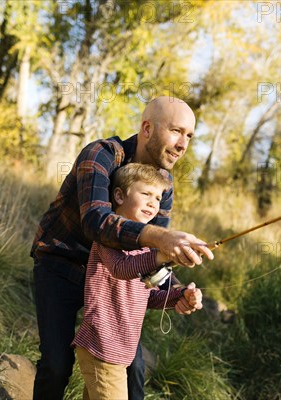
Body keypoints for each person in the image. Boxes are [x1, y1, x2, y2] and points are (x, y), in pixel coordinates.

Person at [31, 96, 214, 400]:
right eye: (176, 131)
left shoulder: (162, 184)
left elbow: (149, 260)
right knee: (57, 365)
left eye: (190, 136)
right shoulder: (100, 154)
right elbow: (96, 222)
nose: (184, 144)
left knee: (134, 372)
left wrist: (176, 293)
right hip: (62, 261)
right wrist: (160, 239)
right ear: (146, 128)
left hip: (113, 283)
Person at [72, 163, 203, 400]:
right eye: (145, 194)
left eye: (157, 197)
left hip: (120, 351)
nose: (153, 203)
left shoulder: (144, 249)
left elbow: (147, 294)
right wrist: (162, 253)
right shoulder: (107, 238)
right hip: (101, 346)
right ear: (120, 195)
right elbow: (122, 268)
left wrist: (179, 295)